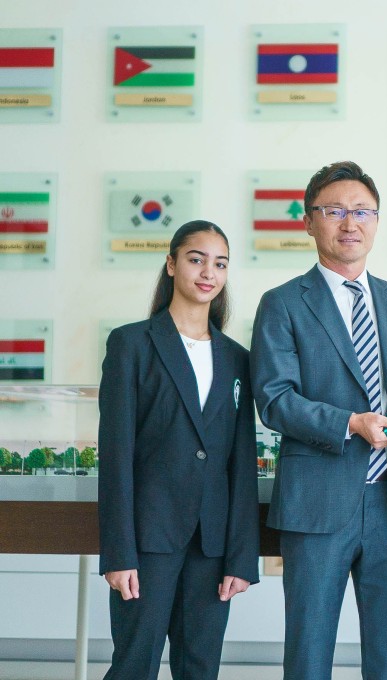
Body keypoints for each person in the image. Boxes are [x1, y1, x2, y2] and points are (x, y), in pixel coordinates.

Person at [250, 161, 387, 680]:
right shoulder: (282, 304)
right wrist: (350, 422)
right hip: (318, 502)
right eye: (335, 211)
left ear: (376, 221)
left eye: (362, 212)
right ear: (309, 222)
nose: (350, 223)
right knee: (308, 654)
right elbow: (274, 399)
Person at [98, 220, 260, 680]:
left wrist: (241, 558)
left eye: (220, 263)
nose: (208, 272)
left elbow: (241, 463)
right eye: (196, 259)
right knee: (134, 665)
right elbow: (115, 456)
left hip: (212, 545)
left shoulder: (237, 358)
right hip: (148, 540)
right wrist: (119, 552)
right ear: (171, 264)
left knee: (201, 669)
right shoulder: (131, 344)